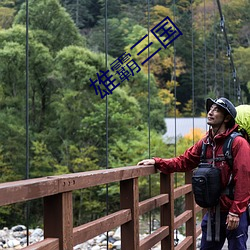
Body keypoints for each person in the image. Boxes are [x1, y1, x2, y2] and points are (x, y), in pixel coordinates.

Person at [137, 97, 250, 250]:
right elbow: (184, 161)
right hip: (213, 211)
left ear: (227, 118)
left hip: (233, 211)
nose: (210, 112)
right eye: (210, 109)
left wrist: (236, 212)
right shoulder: (205, 143)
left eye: (216, 110)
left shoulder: (238, 143)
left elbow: (244, 178)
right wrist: (157, 162)